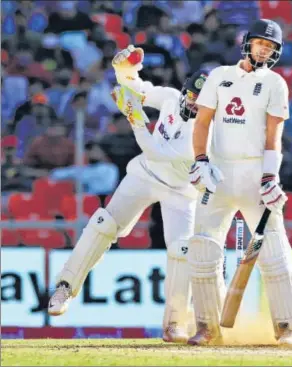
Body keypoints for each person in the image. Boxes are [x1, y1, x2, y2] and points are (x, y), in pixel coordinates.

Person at [47, 45, 220, 344]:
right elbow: (138, 87)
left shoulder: (203, 133)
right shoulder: (169, 97)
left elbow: (155, 150)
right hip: (144, 175)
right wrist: (124, 69)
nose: (192, 106)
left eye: (200, 103)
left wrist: (135, 118)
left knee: (182, 250)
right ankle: (65, 286)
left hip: (180, 191)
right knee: (104, 223)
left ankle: (175, 323)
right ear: (185, 91)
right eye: (191, 97)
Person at [187, 19, 292, 346]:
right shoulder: (219, 76)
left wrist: (270, 176)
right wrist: (200, 160)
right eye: (260, 43)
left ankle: (286, 327)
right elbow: (202, 122)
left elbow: (273, 136)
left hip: (255, 174)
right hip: (219, 173)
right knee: (202, 248)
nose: (264, 50)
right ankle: (206, 327)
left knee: (274, 250)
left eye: (270, 47)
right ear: (247, 43)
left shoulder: (275, 83)